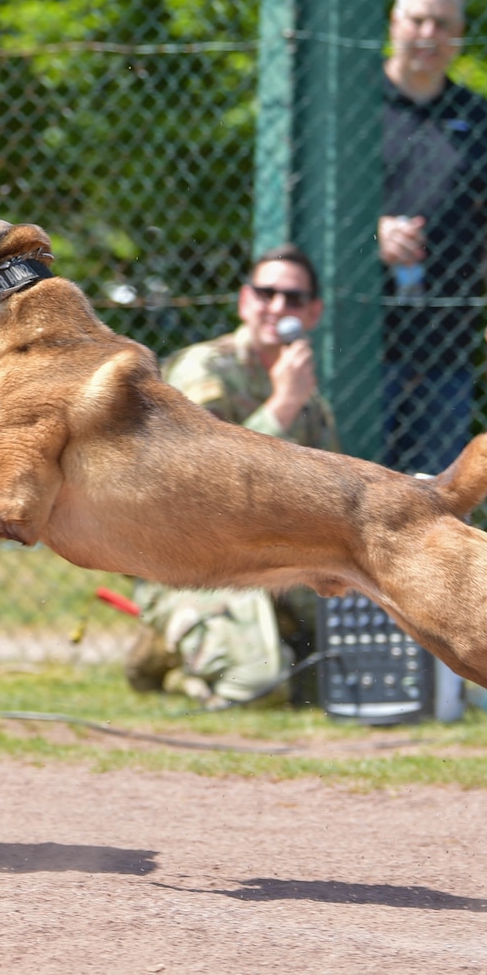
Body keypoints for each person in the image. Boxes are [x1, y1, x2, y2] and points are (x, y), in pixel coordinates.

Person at [128, 244, 335, 702]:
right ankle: (170, 660)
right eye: (266, 294)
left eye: (294, 299)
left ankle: (255, 644)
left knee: (352, 676)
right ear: (245, 301)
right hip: (193, 565)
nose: (278, 307)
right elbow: (195, 485)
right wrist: (281, 408)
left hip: (277, 567)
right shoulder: (204, 370)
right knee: (259, 686)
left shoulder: (311, 404)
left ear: (313, 312)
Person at [378, 0, 487, 476]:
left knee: (434, 498)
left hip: (447, 345)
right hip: (358, 342)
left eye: (442, 23)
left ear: (459, 34)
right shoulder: (352, 107)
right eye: (417, 19)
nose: (427, 34)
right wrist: (371, 234)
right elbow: (312, 206)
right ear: (394, 24)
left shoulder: (480, 120)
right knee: (346, 496)